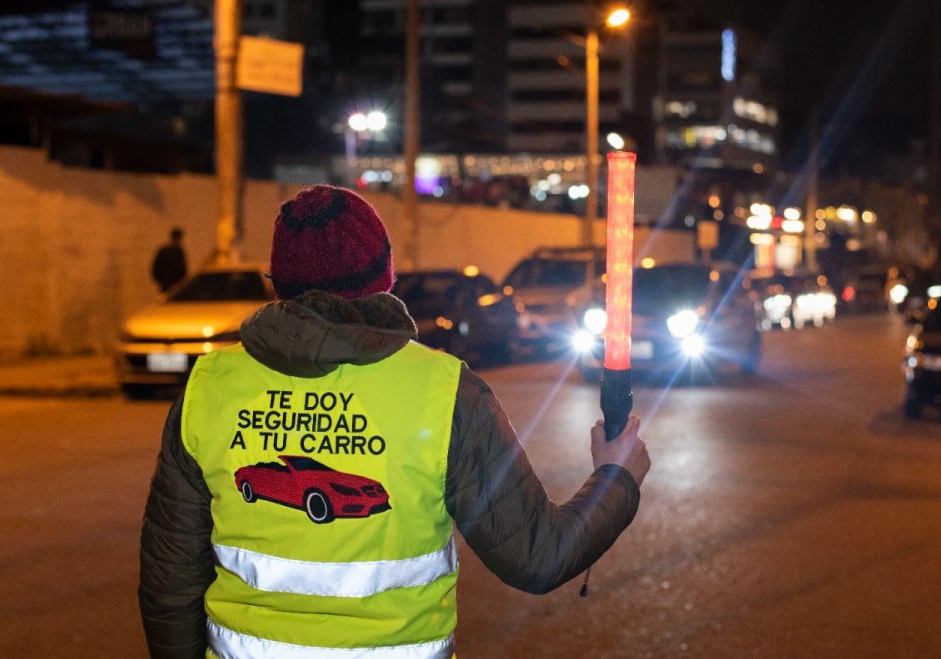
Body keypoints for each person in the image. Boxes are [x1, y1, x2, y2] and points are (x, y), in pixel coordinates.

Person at [138, 185, 649, 658]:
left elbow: (169, 582)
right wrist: (616, 477)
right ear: (384, 278)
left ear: (278, 284)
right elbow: (538, 556)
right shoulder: (444, 390)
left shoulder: (210, 386)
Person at [151, 228, 188, 293]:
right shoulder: (174, 251)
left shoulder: (177, 251)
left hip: (172, 283)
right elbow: (156, 267)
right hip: (169, 283)